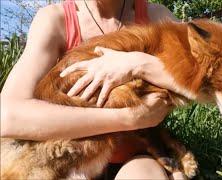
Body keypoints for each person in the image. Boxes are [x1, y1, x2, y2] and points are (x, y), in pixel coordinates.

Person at [1, 0, 185, 179]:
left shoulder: (155, 17)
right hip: (72, 157)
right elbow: (8, 117)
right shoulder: (57, 19)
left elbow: (203, 69)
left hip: (134, 156)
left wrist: (137, 64)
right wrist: (129, 118)